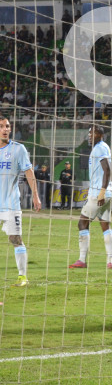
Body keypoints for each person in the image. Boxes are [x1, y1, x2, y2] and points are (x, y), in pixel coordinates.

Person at [0, 115, 41, 287]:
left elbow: (29, 172)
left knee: (15, 238)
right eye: (2, 126)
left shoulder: (18, 149)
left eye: (7, 126)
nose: (5, 129)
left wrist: (36, 196)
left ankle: (22, 277)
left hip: (10, 203)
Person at [69, 126, 112, 270]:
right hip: (109, 193)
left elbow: (107, 170)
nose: (90, 135)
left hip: (99, 193)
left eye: (93, 133)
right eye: (89, 132)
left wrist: (101, 191)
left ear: (100, 134)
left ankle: (82, 260)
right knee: (105, 225)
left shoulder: (99, 148)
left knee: (82, 223)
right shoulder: (103, 147)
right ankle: (110, 262)